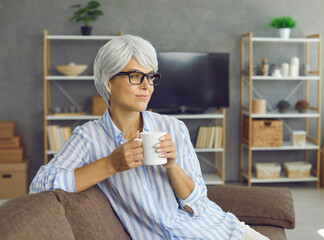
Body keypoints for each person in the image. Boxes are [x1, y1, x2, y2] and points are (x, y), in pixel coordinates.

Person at [30, 35, 269, 240]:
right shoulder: (88, 137)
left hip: (222, 232)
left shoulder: (173, 127)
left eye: (151, 77)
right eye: (135, 76)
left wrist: (173, 166)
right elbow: (39, 186)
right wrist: (111, 164)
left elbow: (198, 204)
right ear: (108, 81)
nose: (147, 86)